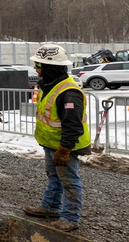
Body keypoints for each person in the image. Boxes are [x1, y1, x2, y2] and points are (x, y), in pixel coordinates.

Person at [23, 44, 90, 232]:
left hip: (64, 146)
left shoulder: (68, 93)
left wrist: (64, 150)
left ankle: (70, 217)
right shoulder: (50, 85)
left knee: (69, 180)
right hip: (51, 143)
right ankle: (50, 207)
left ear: (49, 67)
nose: (36, 69)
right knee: (54, 176)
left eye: (38, 65)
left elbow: (73, 125)